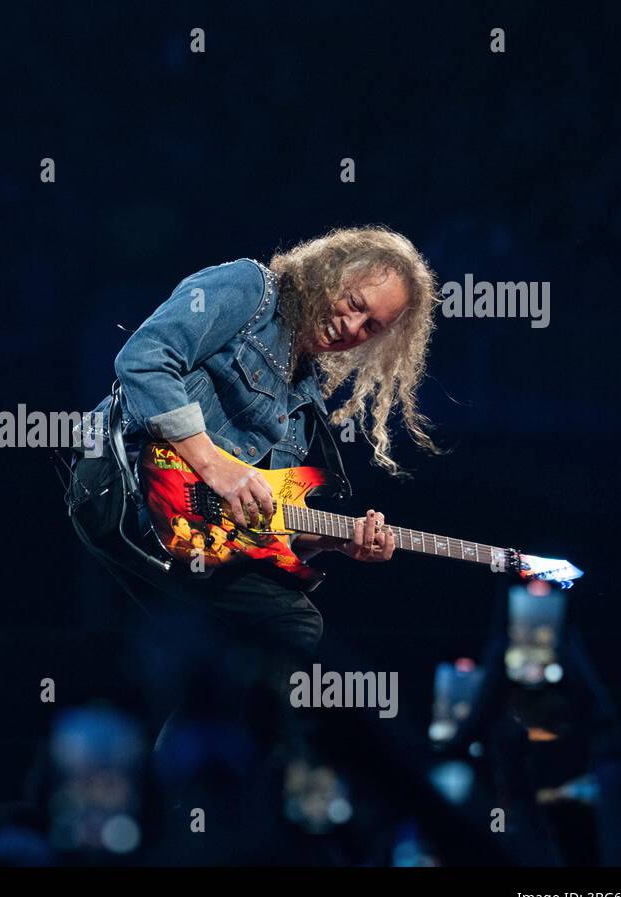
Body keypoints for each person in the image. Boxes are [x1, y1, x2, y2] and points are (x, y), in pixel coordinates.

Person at [66, 226, 441, 738]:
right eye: (353, 303)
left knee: (231, 664)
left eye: (370, 326)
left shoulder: (305, 404)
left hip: (190, 534)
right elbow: (144, 359)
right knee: (293, 626)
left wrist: (334, 542)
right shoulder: (249, 289)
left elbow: (258, 526)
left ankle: (183, 789)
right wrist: (215, 465)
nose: (351, 326)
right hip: (122, 481)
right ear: (330, 271)